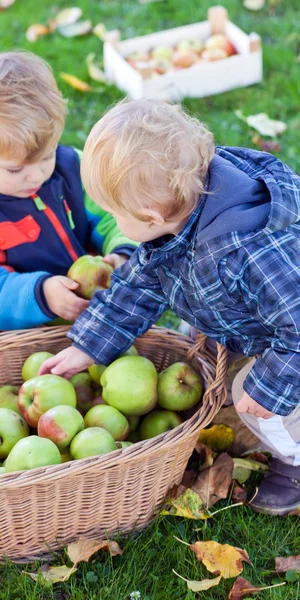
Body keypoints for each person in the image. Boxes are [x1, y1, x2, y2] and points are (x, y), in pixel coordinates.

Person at [40, 98, 300, 516]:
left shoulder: (247, 250)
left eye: (112, 213)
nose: (111, 220)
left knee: (251, 395)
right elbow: (140, 284)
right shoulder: (180, 214)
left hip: (289, 337)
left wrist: (270, 386)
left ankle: (295, 463)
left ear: (148, 214)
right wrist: (88, 345)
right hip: (252, 315)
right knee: (192, 339)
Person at [0, 52, 137, 342]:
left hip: (83, 299)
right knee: (8, 356)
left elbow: (114, 213)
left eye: (46, 156)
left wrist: (123, 252)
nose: (36, 176)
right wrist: (41, 294)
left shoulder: (71, 166)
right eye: (14, 169)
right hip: (10, 320)